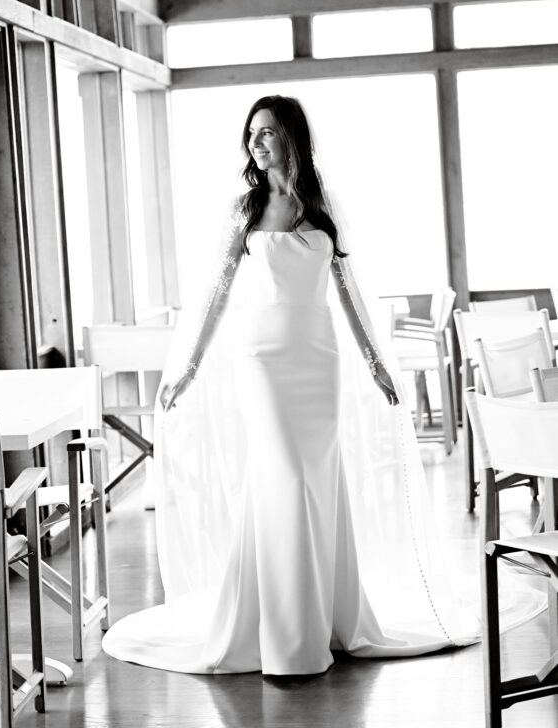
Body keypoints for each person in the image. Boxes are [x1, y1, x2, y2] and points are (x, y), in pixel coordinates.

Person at [102, 95, 479, 676]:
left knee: (317, 482)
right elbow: (218, 293)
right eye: (252, 134)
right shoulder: (246, 208)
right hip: (264, 360)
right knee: (286, 477)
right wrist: (189, 366)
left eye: (269, 133)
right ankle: (284, 632)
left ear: (291, 139)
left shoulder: (321, 205)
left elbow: (348, 291)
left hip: (318, 356)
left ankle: (324, 618)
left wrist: (377, 363)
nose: (257, 143)